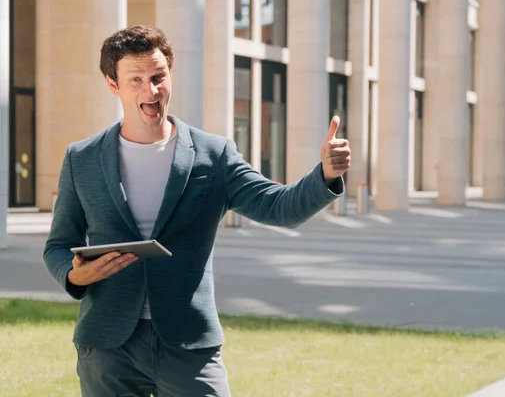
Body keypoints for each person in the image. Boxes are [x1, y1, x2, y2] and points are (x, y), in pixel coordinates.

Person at [43, 25, 351, 397]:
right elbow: (59, 245)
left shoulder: (214, 155)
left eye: (158, 77)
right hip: (108, 345)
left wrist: (326, 175)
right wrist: (76, 277)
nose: (151, 90)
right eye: (136, 79)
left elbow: (279, 207)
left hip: (189, 342)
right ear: (113, 84)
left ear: (170, 75)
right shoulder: (83, 158)